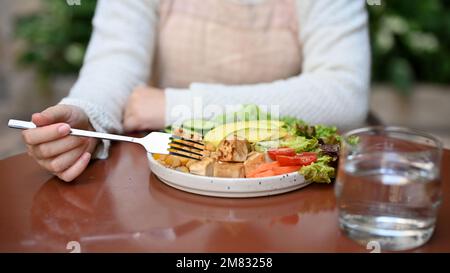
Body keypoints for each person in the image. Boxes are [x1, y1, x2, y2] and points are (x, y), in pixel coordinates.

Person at [21, 0, 370, 182]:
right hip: (169, 180)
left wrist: (175, 105)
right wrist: (86, 115)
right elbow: (114, 64)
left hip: (281, 181)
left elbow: (343, 94)